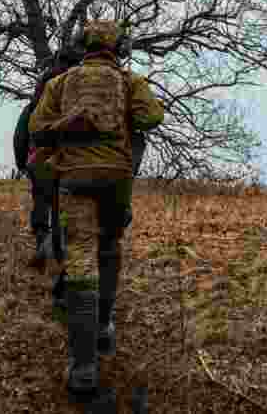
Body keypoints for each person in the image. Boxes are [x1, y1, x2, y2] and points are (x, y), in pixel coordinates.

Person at [28, 20, 164, 399]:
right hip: (117, 180)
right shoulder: (129, 80)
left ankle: (84, 367)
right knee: (110, 247)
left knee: (81, 267)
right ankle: (104, 325)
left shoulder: (60, 82)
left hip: (74, 179)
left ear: (82, 46)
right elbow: (152, 118)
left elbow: (37, 127)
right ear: (119, 47)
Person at [14, 46, 85, 271]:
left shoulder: (45, 83)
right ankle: (62, 253)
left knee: (42, 201)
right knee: (67, 205)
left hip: (40, 155)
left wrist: (22, 162)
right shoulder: (81, 85)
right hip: (72, 157)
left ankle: (42, 242)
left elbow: (23, 127)